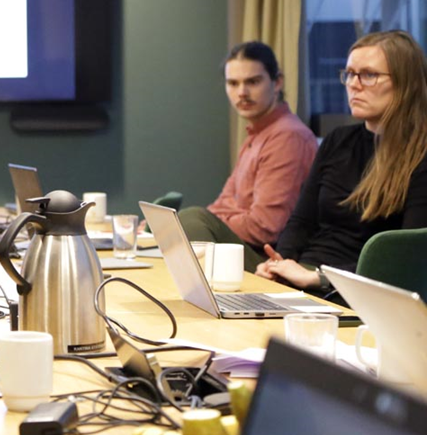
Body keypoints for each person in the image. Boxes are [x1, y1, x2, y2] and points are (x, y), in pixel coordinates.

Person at [257, 30, 427, 293]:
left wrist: (320, 278)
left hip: (355, 291)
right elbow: (301, 221)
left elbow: (405, 259)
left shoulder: (420, 154)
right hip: (303, 275)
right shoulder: (338, 140)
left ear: (406, 83)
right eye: (349, 74)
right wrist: (280, 263)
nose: (354, 84)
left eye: (369, 75)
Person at [177, 42, 318, 271]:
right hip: (245, 249)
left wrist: (210, 224)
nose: (242, 92)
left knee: (192, 219)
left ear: (277, 81)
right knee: (187, 223)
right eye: (233, 83)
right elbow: (224, 203)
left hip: (271, 262)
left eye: (253, 82)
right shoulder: (258, 133)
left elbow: (265, 226)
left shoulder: (287, 137)